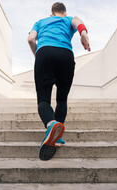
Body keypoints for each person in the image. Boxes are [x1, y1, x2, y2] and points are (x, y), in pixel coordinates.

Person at [28, 2, 90, 161]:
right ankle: (57, 134)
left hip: (44, 53)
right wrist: (83, 33)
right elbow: (79, 22)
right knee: (62, 99)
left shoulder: (40, 22)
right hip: (66, 55)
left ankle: (51, 125)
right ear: (64, 12)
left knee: (43, 100)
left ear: (51, 13)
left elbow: (30, 39)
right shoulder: (69, 19)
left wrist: (39, 55)